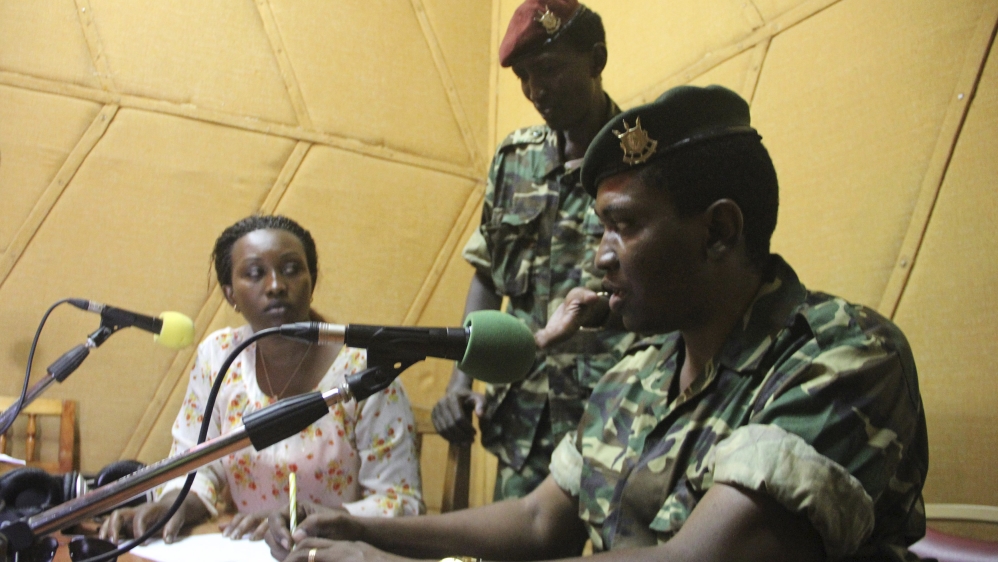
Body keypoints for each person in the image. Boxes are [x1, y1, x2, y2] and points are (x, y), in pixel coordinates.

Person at [263, 85, 929, 562]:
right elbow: (535, 522)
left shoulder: (842, 357)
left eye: (625, 226)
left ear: (719, 230)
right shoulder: (635, 374)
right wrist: (366, 532)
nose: (599, 255)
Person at [100, 215, 423, 545]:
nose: (276, 286)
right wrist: (173, 505)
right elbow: (196, 464)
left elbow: (400, 503)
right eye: (255, 274)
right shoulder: (219, 355)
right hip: (243, 550)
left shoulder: (367, 369)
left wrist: (304, 517)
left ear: (312, 281)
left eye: (292, 269)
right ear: (230, 296)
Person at [432, 0, 638, 501]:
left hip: (620, 414)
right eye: (524, 76)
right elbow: (488, 276)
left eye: (547, 69)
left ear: (595, 59)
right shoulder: (514, 159)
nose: (535, 91)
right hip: (525, 414)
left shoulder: (643, 159)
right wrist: (463, 379)